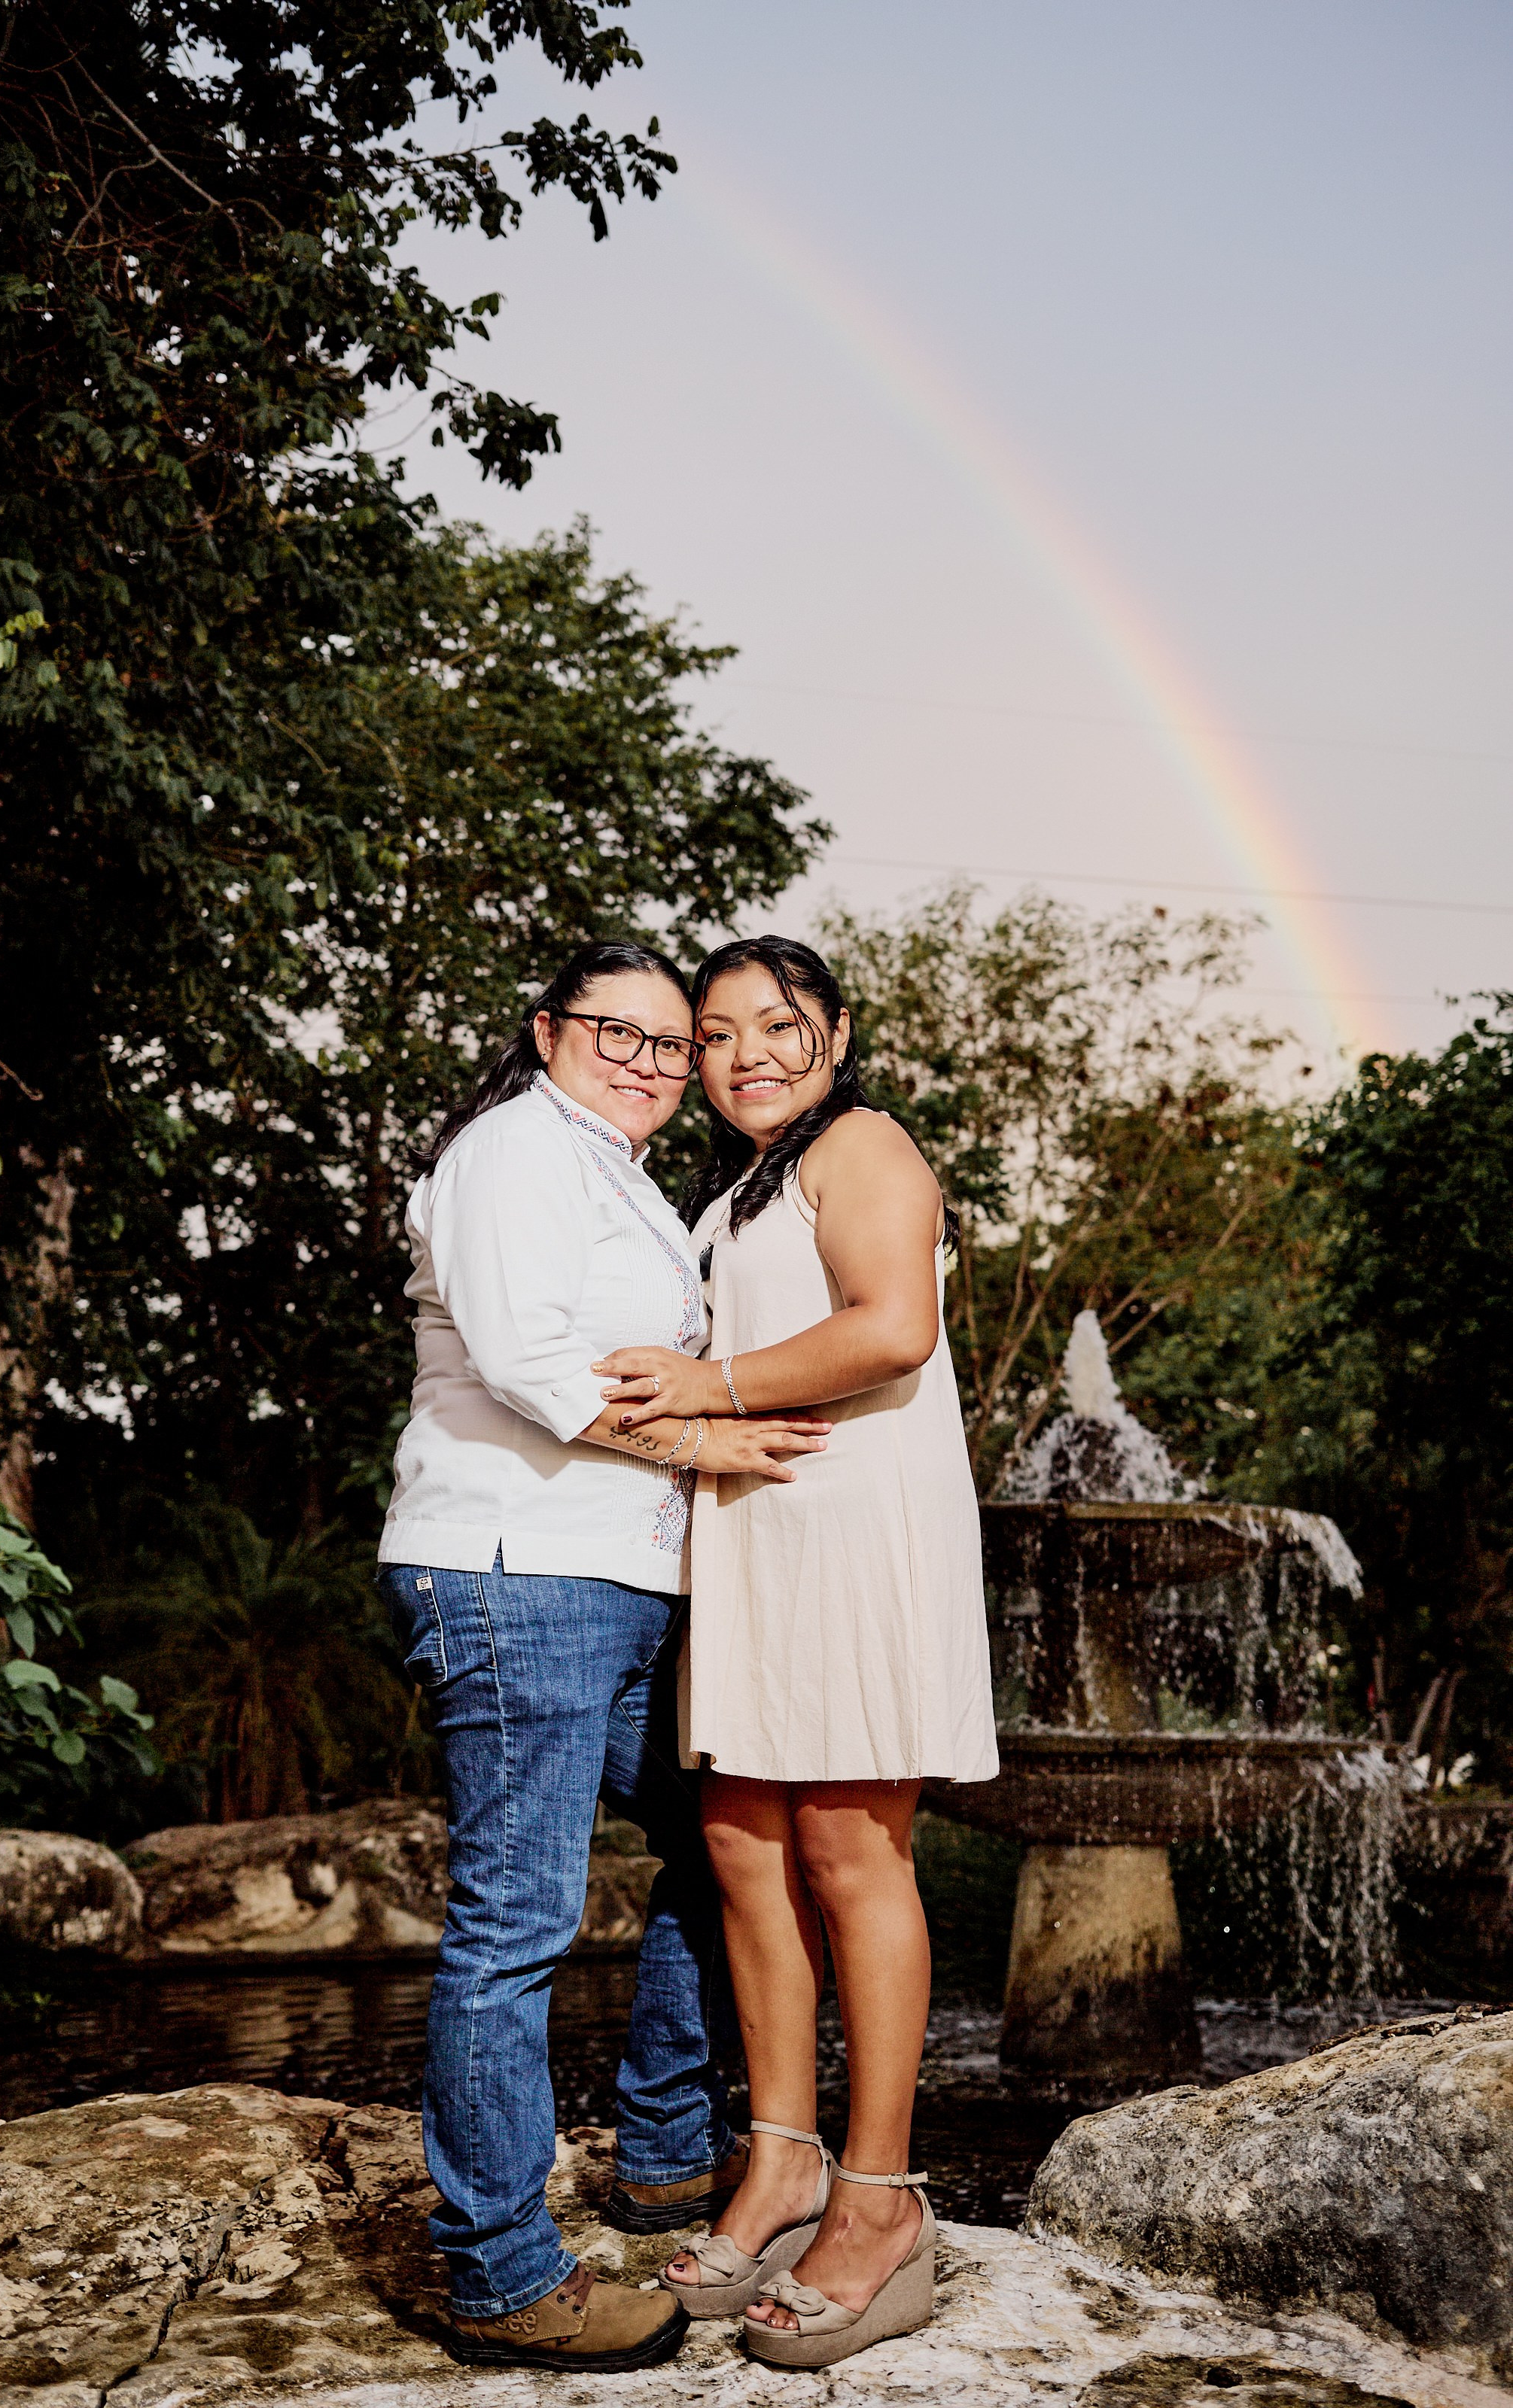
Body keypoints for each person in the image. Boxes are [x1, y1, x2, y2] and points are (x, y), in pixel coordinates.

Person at [377, 938, 831, 2374]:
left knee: (716, 1852)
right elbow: (522, 1358)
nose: (645, 1060)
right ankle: (502, 2273)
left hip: (619, 1583)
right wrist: (706, 1435)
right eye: (612, 1032)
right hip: (518, 1573)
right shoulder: (515, 1151)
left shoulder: (621, 1176)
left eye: (666, 1042)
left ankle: (661, 2155)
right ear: (546, 1032)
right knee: (517, 1921)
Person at [592, 935, 997, 2372]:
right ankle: (782, 2163)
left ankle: (881, 2198)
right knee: (743, 1847)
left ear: (833, 1034)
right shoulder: (741, 1184)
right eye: (714, 1034)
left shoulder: (867, 1146)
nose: (745, 1052)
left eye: (777, 1023)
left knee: (848, 1851)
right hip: (754, 1535)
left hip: (853, 1525)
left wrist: (712, 1384)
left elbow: (893, 1329)